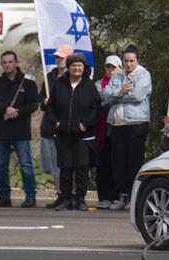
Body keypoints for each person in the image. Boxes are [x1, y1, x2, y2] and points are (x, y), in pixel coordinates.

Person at [45, 54, 100, 211]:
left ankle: (80, 199)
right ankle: (65, 198)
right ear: (68, 68)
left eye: (80, 66)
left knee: (82, 168)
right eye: (74, 66)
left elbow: (96, 108)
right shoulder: (59, 85)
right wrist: (56, 122)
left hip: (83, 135)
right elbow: (50, 107)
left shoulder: (89, 86)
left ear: (83, 68)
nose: (77, 68)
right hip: (63, 134)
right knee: (66, 168)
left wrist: (86, 124)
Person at [101, 45, 152, 211]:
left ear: (137, 60)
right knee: (119, 162)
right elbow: (105, 96)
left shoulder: (143, 75)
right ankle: (123, 195)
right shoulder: (117, 75)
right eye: (126, 61)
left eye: (132, 61)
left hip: (136, 123)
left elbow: (137, 96)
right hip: (117, 124)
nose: (129, 64)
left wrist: (118, 95)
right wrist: (121, 91)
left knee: (134, 161)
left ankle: (135, 196)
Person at [0, 51, 39, 207]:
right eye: (5, 62)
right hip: (2, 131)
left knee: (26, 164)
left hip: (21, 131)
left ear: (16, 62)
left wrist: (17, 112)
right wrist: (5, 109)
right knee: (2, 166)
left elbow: (33, 104)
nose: (8, 65)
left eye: (10, 62)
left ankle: (30, 195)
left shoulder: (28, 82)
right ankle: (4, 196)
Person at [39, 43, 72, 208]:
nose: (59, 60)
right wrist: (45, 103)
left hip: (67, 127)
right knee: (55, 165)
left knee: (68, 163)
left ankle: (71, 195)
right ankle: (60, 194)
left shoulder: (73, 78)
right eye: (58, 57)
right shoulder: (49, 77)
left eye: (62, 57)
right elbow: (41, 102)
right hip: (50, 126)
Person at [94, 55, 122, 209]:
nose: (111, 70)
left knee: (117, 164)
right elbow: (102, 100)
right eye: (108, 67)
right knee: (103, 164)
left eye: (114, 67)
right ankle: (104, 197)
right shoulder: (99, 84)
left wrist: (115, 95)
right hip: (102, 129)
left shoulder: (126, 82)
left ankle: (118, 196)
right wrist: (117, 94)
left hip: (119, 128)